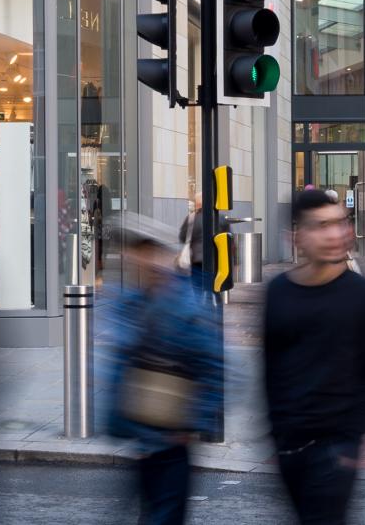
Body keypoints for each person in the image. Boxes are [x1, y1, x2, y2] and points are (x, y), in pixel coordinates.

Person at [265, 187, 365, 525]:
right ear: (297, 238)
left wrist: (352, 441)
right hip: (290, 447)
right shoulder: (277, 293)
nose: (335, 234)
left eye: (339, 223)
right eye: (321, 226)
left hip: (336, 448)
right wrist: (275, 435)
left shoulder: (363, 295)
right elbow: (269, 368)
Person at [103, 213, 224, 525]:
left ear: (166, 256)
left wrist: (192, 424)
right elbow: (120, 366)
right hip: (141, 440)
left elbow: (216, 368)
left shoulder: (185, 307)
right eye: (136, 253)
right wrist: (120, 425)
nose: (143, 261)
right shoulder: (131, 302)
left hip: (170, 442)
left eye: (149, 252)